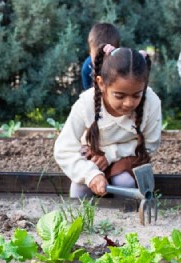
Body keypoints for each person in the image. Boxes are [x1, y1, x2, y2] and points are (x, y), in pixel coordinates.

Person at [54, 44, 162, 198]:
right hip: (93, 158)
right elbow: (63, 149)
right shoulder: (86, 104)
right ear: (101, 83)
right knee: (79, 189)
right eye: (120, 96)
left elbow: (151, 143)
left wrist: (111, 154)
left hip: (127, 161)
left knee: (124, 182)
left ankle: (125, 219)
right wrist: (90, 175)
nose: (128, 103)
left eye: (136, 95)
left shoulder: (151, 103)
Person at [79, 23, 120, 91]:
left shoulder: (122, 64)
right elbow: (88, 91)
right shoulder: (87, 68)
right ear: (90, 52)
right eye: (97, 57)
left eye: (106, 58)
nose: (101, 62)